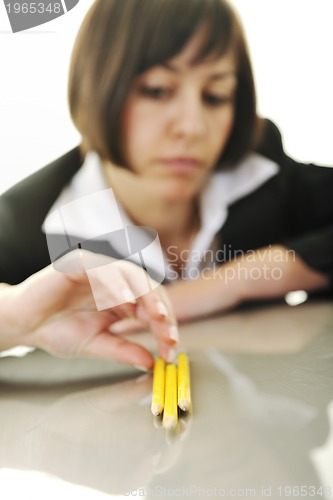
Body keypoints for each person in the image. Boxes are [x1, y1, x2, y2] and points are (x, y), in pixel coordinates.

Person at [0, 0, 332, 369]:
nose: (192, 126)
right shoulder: (26, 221)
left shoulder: (263, 172)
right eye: (157, 90)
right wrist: (13, 317)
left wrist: (233, 282)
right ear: (97, 85)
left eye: (216, 96)